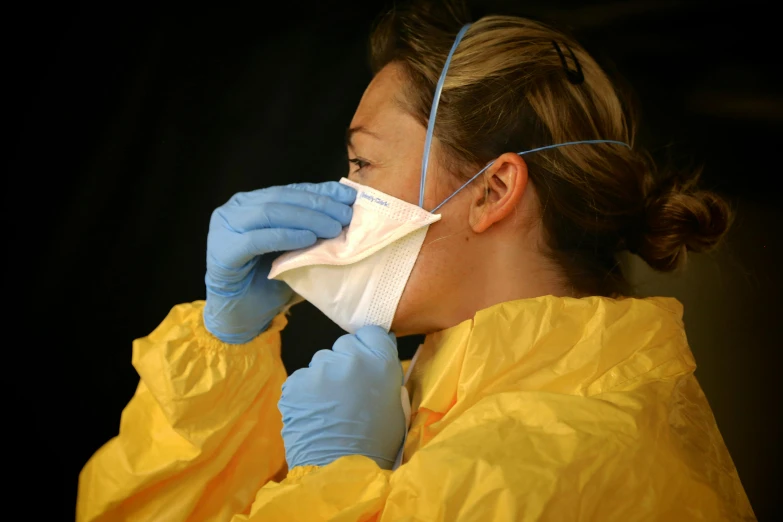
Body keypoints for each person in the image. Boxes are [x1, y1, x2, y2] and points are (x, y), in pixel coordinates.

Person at [77, 2, 756, 520]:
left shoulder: (567, 460)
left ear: (491, 191)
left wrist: (332, 482)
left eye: (362, 162)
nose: (342, 196)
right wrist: (222, 356)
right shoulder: (424, 401)